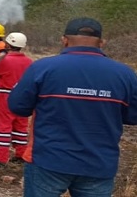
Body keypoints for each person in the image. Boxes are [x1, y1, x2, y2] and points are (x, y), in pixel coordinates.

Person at [9, 17, 137, 197]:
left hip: (48, 160)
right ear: (102, 42)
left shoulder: (42, 68)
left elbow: (18, 107)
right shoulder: (125, 74)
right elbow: (133, 116)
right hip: (98, 164)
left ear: (64, 40)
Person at [0, 32, 32, 167]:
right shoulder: (29, 61)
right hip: (23, 97)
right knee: (21, 126)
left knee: (3, 126)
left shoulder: (4, 60)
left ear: (8, 44)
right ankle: (21, 154)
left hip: (5, 96)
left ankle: (1, 158)